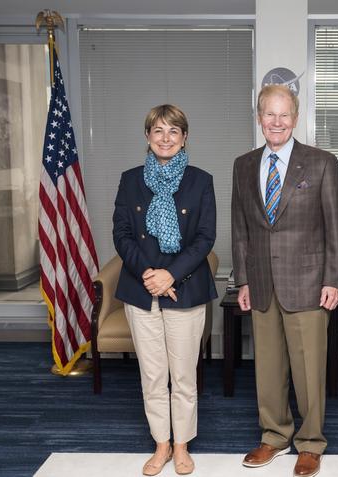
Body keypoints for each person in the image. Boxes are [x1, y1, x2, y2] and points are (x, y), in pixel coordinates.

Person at [231, 84, 338, 477]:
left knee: (309, 370)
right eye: (270, 114)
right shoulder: (243, 165)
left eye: (284, 115)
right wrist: (243, 281)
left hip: (310, 284)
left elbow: (336, 228)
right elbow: (241, 229)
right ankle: (275, 435)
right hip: (262, 283)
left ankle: (311, 443)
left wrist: (334, 280)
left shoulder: (321, 163)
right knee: (267, 368)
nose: (277, 122)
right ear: (259, 117)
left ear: (295, 119)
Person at [112, 104, 217, 476]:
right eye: (158, 130)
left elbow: (205, 238)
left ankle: (183, 445)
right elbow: (122, 235)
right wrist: (149, 274)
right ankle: (162, 444)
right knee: (153, 375)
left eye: (174, 131)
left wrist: (170, 275)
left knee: (184, 376)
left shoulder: (200, 180)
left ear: (184, 138)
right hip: (141, 290)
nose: (166, 138)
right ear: (147, 136)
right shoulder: (130, 180)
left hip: (185, 289)